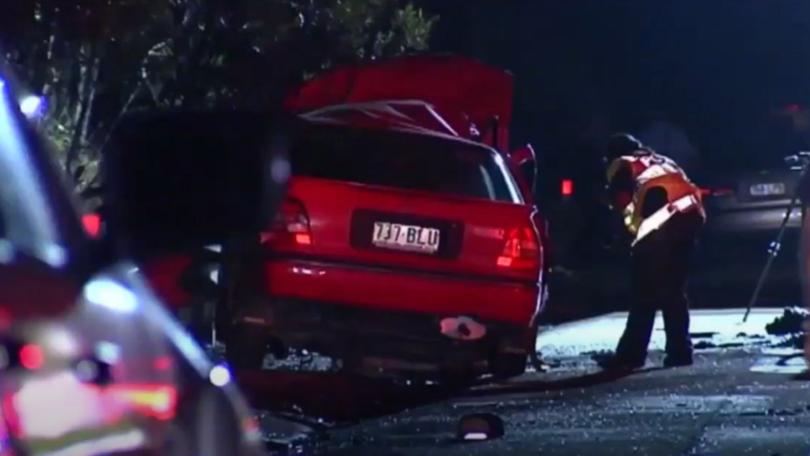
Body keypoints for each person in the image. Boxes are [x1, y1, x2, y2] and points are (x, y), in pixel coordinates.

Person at [599, 133, 706, 370]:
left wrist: (619, 238)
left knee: (643, 293)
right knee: (673, 291)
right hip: (689, 221)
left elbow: (622, 203)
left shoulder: (623, 165)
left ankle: (630, 356)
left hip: (659, 226)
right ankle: (680, 351)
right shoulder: (662, 160)